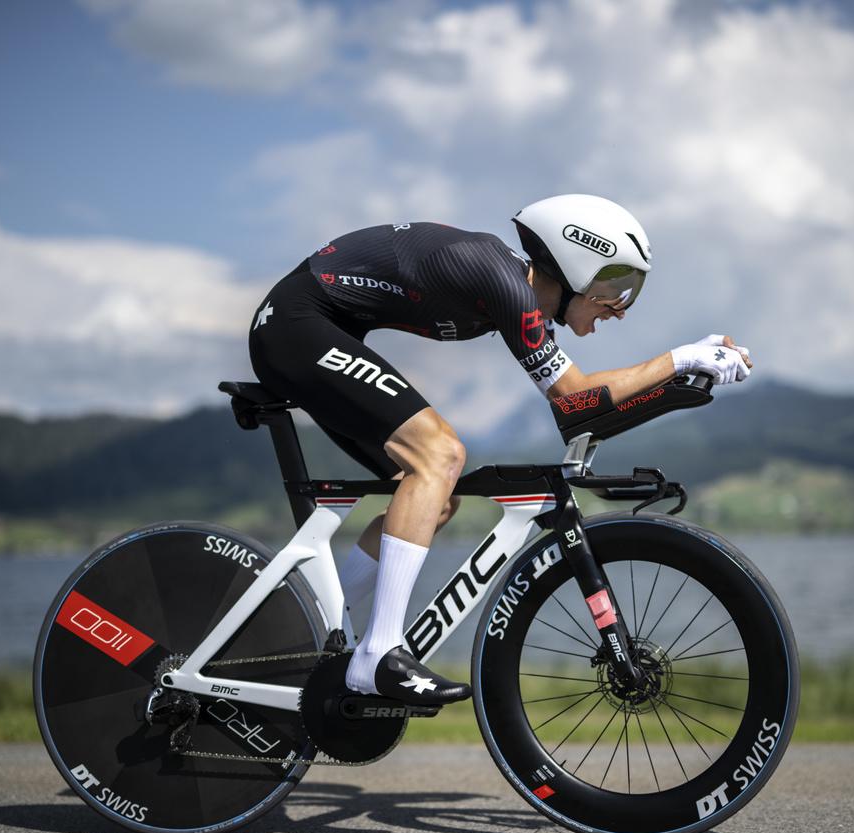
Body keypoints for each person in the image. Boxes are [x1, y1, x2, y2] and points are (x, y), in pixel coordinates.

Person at [248, 194, 752, 704]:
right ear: (575, 262)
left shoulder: (515, 291)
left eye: (631, 290)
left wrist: (686, 371)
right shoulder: (501, 278)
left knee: (434, 497)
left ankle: (307, 630)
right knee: (440, 455)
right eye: (615, 284)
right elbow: (574, 400)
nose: (620, 307)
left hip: (318, 328)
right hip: (295, 325)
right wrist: (681, 357)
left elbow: (584, 408)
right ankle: (378, 654)